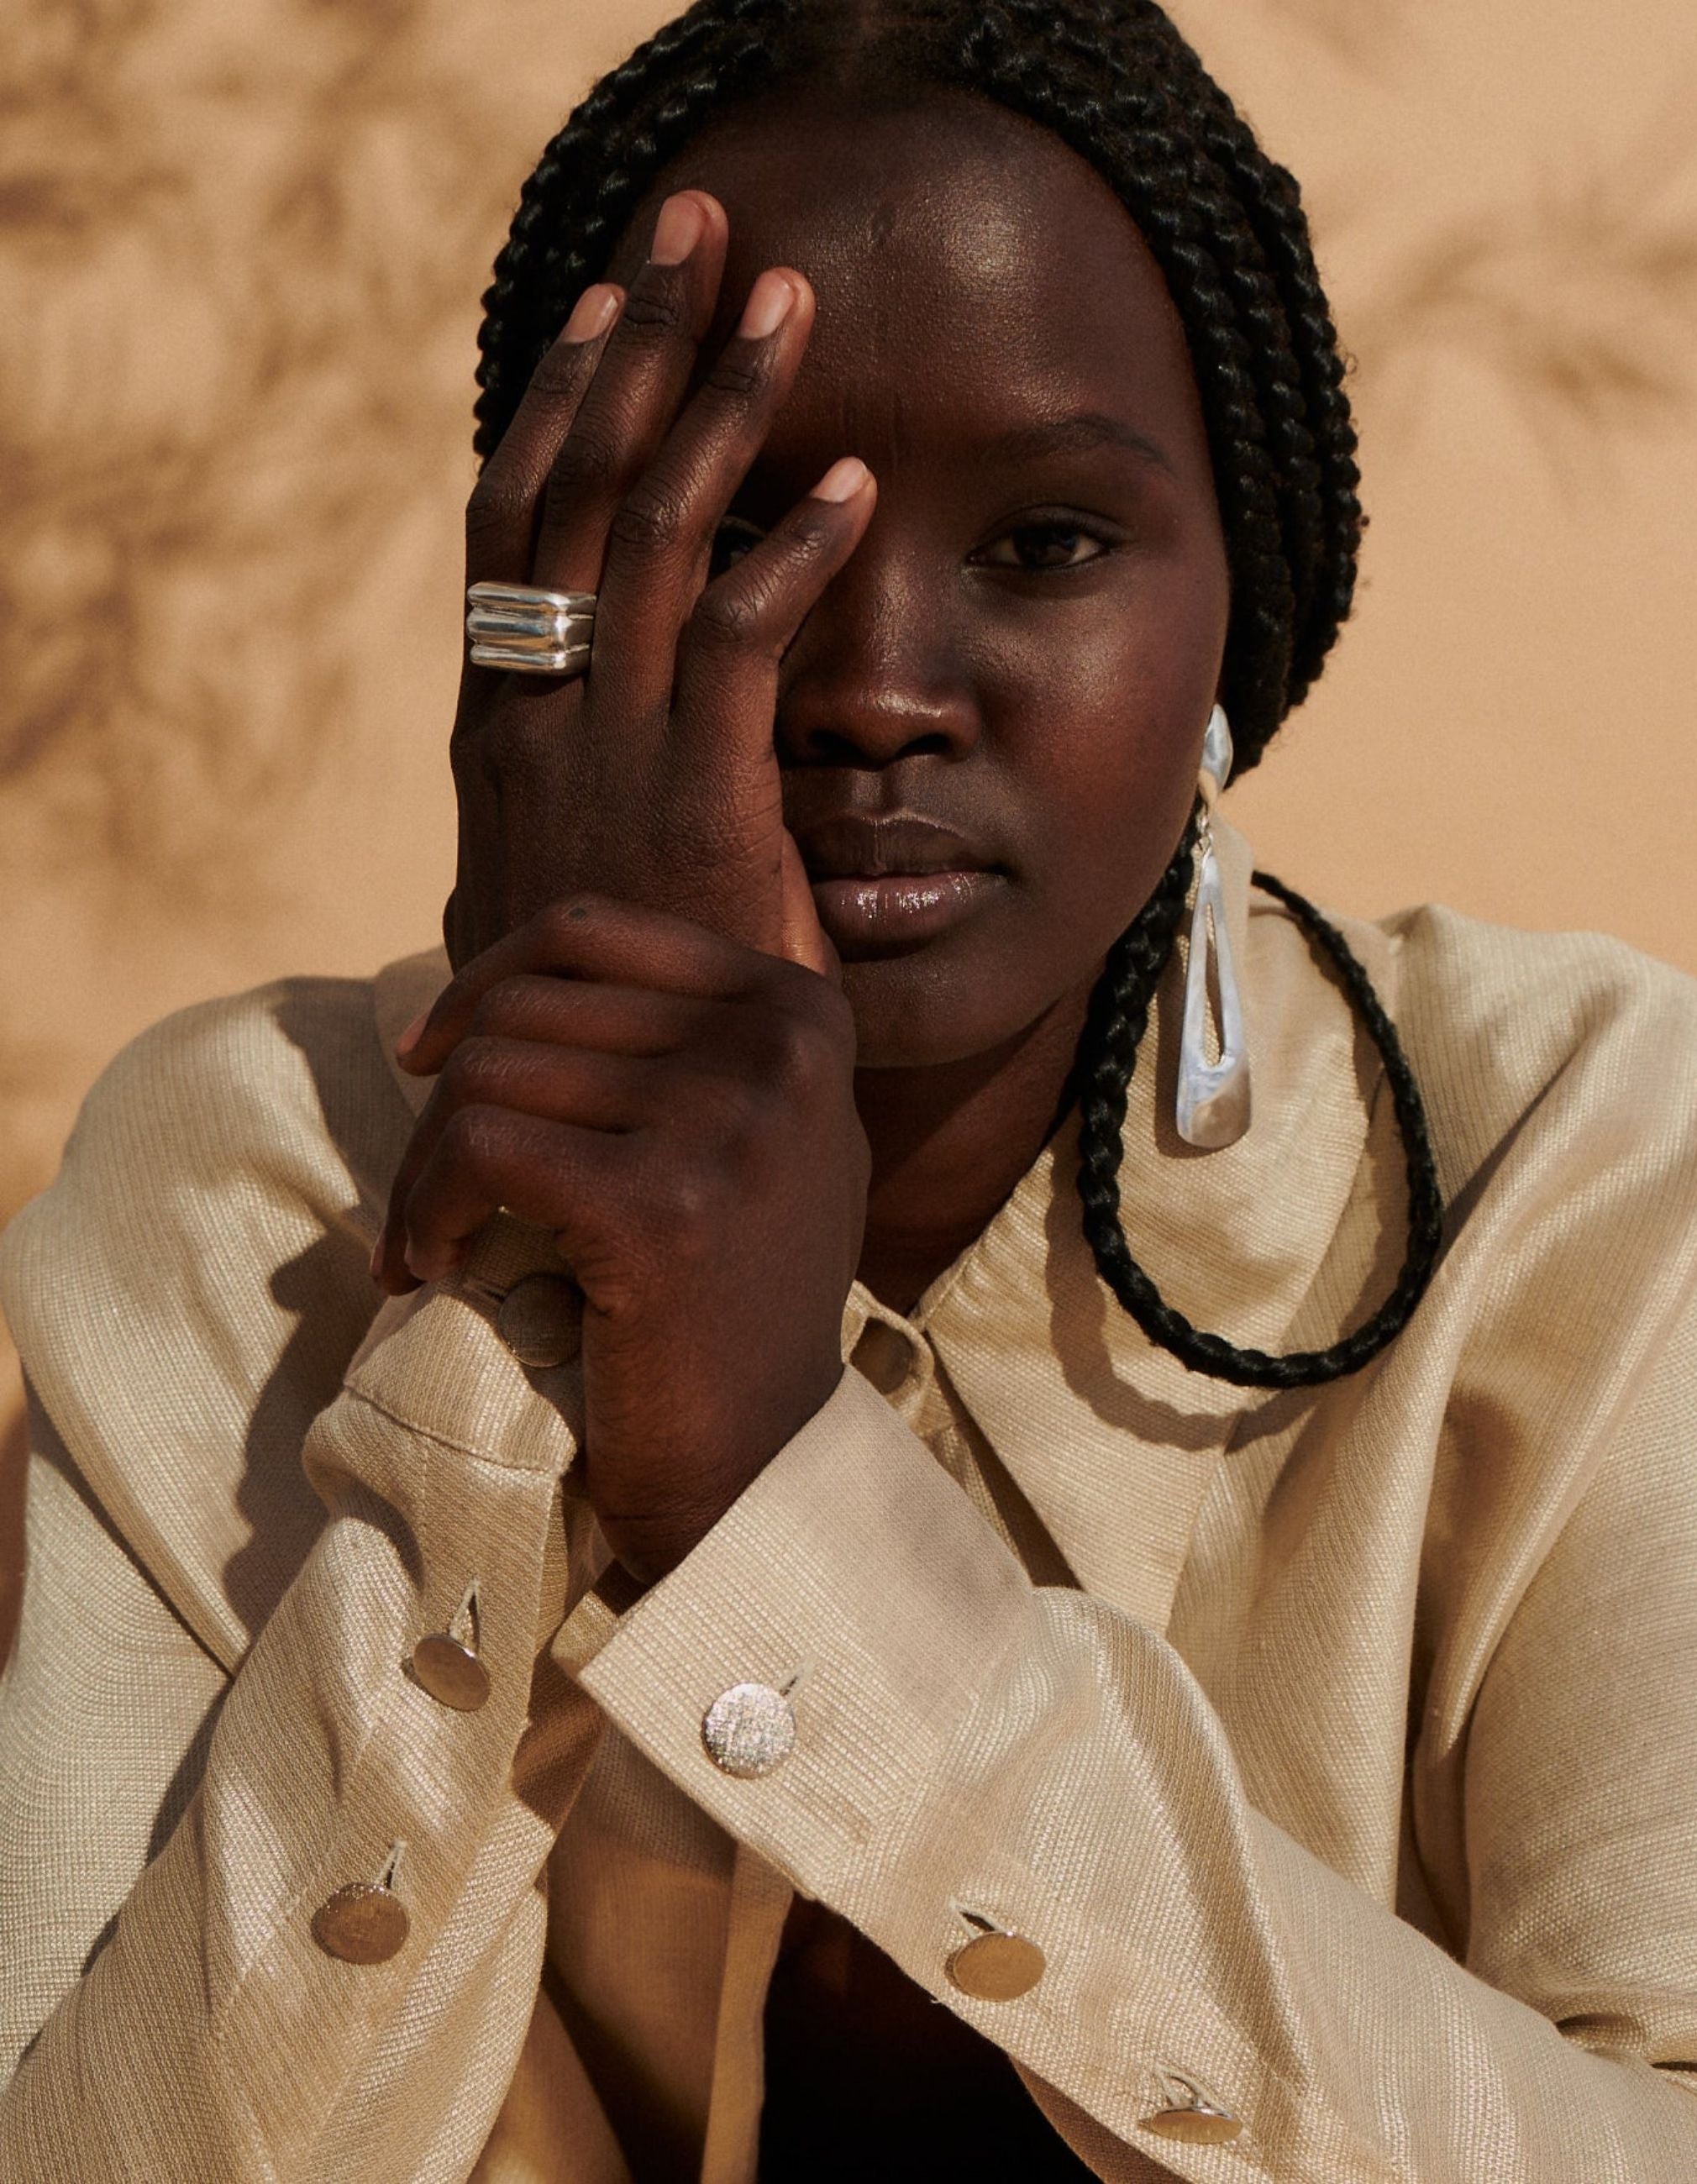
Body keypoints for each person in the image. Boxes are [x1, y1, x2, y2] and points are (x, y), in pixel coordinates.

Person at [3, 0, 1695, 2176]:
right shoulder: (243, 1184)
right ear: (550, 586)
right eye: (732, 535)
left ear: (1234, 613)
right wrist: (522, 1293)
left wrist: (777, 1497)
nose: (878, 684)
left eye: (1048, 543)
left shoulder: (1584, 1165)